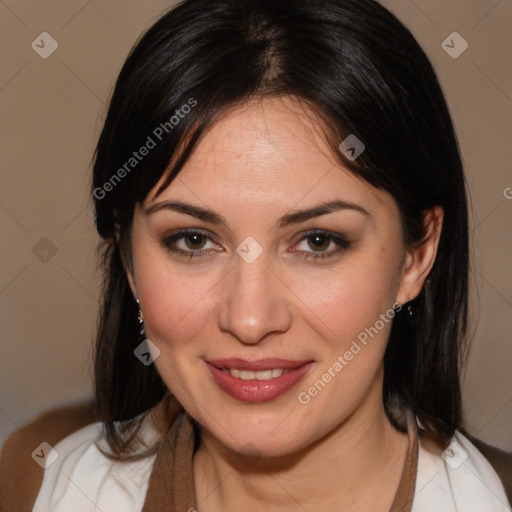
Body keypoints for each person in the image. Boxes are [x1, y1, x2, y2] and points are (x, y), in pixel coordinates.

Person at [1, 0, 511, 511]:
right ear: (128, 257)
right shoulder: (39, 490)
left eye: (317, 241)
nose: (249, 319)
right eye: (194, 240)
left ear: (416, 255)